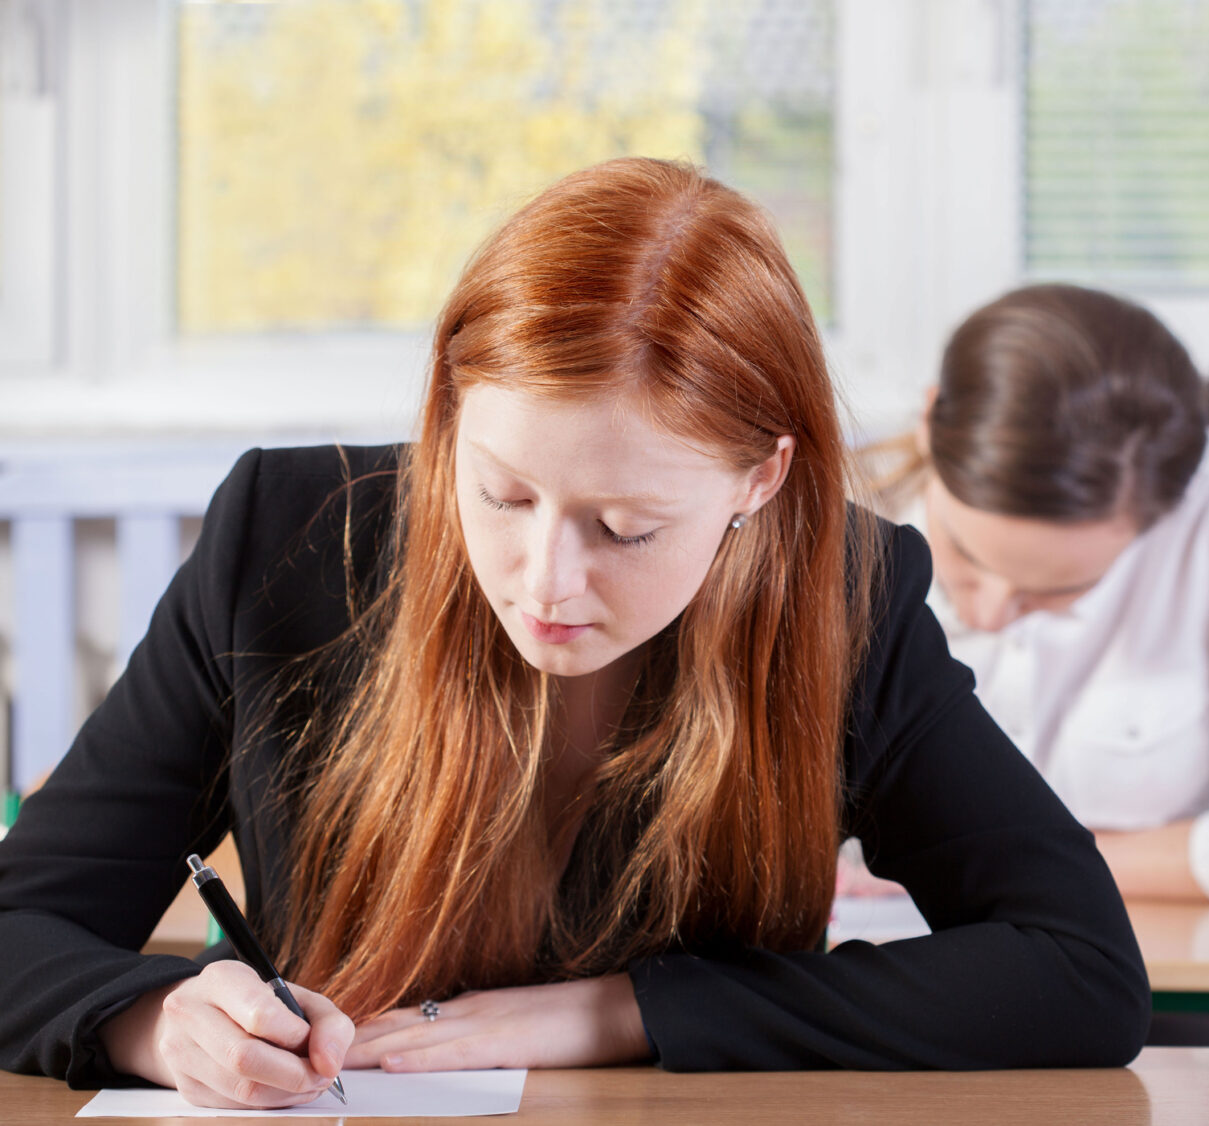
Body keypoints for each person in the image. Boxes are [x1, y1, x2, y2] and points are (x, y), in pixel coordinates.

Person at [0, 159, 1150, 1108]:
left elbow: (1080, 967)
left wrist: (621, 1011)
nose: (545, 578)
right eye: (502, 494)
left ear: (759, 479)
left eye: (627, 527)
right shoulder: (287, 542)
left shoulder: (842, 598)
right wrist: (155, 1023)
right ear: (449, 418)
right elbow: (20, 926)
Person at [859, 282, 1209, 929]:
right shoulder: (831, 515)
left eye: (1057, 591)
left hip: (1169, 990)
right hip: (894, 983)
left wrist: (1051, 865)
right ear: (930, 424)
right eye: (963, 557)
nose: (985, 615)